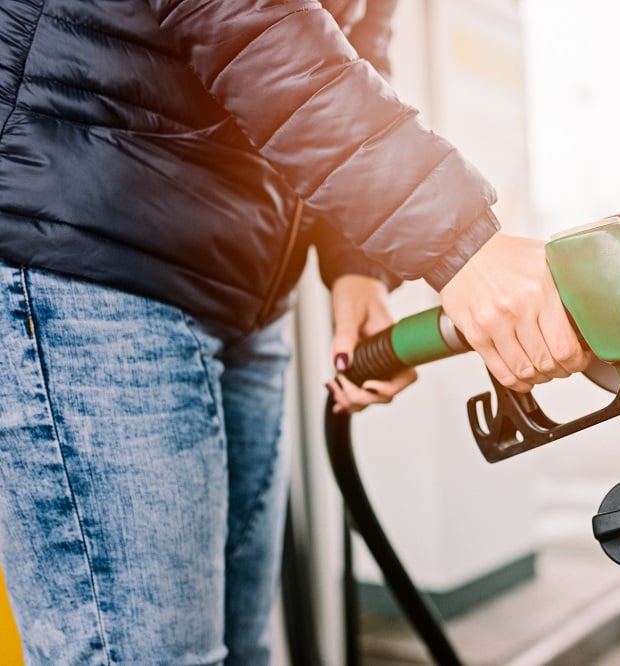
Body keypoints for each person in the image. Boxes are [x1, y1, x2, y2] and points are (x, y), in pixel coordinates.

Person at [0, 0, 588, 663]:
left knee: (243, 649)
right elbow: (251, 19)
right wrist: (458, 241)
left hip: (243, 287)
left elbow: (356, 38)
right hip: (88, 253)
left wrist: (357, 268)